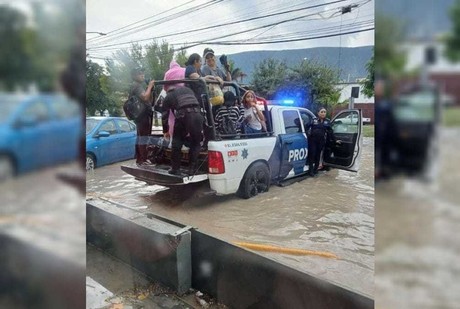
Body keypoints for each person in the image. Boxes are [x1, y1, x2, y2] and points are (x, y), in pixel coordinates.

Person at [161, 86, 204, 176]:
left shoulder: (168, 96)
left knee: (177, 143)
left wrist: (166, 131)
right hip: (197, 115)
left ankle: (175, 169)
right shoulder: (188, 89)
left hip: (183, 115)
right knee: (196, 143)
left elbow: (164, 115)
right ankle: (192, 169)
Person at [129, 66, 156, 166]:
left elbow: (149, 99)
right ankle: (144, 160)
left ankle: (140, 159)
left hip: (140, 115)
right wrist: (149, 86)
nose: (142, 75)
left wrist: (151, 89)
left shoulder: (136, 85)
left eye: (143, 73)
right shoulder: (137, 86)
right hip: (142, 116)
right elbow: (145, 98)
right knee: (143, 137)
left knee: (140, 136)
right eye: (140, 73)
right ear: (134, 75)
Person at [307, 107, 339, 176]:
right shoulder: (313, 120)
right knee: (312, 155)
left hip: (321, 141)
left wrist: (335, 140)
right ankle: (310, 171)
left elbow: (331, 132)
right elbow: (306, 127)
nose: (323, 113)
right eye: (322, 112)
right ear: (318, 113)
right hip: (312, 141)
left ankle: (316, 170)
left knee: (318, 156)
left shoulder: (327, 121)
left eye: (324, 112)